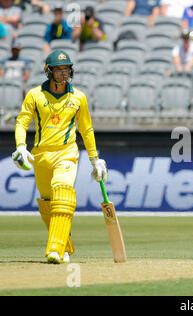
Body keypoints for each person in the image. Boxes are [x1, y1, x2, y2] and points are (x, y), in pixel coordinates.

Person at [12, 50, 108, 264]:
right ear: (49, 71)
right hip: (40, 155)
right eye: (59, 69)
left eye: (66, 69)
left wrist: (95, 159)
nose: (64, 73)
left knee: (63, 191)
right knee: (48, 202)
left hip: (66, 153)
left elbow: (87, 129)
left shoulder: (78, 97)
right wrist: (20, 146)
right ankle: (65, 245)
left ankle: (55, 249)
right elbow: (22, 121)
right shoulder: (35, 94)